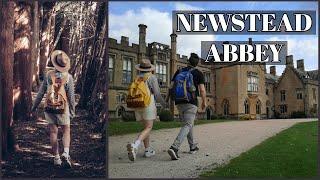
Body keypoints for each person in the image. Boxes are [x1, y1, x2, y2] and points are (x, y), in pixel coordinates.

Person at [31, 50, 75, 168]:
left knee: (53, 132)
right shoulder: (69, 77)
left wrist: (34, 107)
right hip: (63, 109)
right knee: (66, 131)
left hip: (49, 108)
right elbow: (71, 97)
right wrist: (72, 111)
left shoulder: (49, 75)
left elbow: (41, 93)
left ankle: (56, 158)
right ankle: (65, 153)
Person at [167, 53, 207, 160]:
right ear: (197, 63)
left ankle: (192, 146)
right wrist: (204, 101)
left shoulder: (179, 71)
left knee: (189, 124)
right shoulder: (198, 73)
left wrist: (168, 99)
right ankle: (174, 147)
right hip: (191, 102)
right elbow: (202, 89)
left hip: (179, 102)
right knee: (188, 124)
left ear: (188, 61)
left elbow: (171, 87)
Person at [126, 59, 167, 162]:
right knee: (149, 127)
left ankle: (147, 150)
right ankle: (135, 145)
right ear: (150, 69)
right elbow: (157, 95)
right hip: (147, 104)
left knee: (145, 128)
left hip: (137, 104)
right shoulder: (152, 77)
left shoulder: (137, 78)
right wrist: (164, 104)